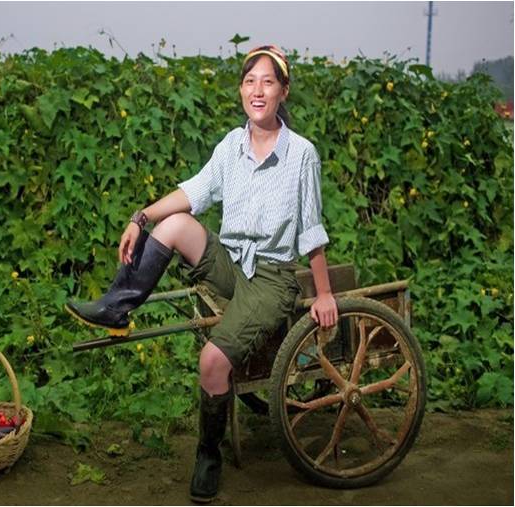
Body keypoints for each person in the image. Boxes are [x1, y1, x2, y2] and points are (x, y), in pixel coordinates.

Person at [66, 44, 338, 503]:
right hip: (232, 262)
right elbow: (193, 193)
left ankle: (208, 454)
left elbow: (311, 230)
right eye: (249, 81)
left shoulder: (301, 154)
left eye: (268, 82)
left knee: (212, 362)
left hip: (272, 278)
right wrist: (140, 217)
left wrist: (325, 293)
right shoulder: (232, 145)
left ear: (283, 91)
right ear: (241, 90)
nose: (257, 90)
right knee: (174, 224)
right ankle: (116, 308)